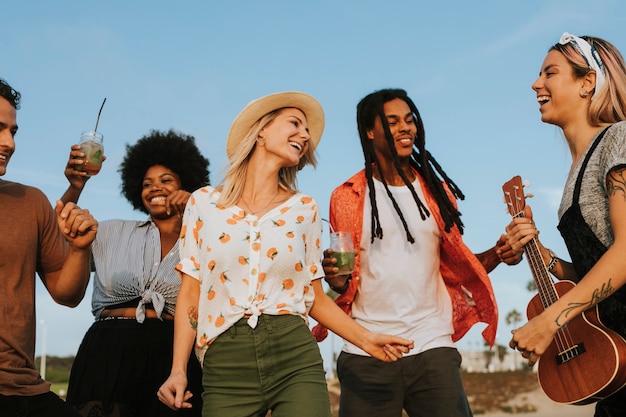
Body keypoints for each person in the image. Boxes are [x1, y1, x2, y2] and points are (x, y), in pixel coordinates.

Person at [157, 91, 415, 417]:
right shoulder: (204, 204)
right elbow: (190, 293)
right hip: (226, 360)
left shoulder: (303, 209)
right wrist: (178, 369)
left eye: (307, 130)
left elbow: (314, 298)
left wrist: (366, 339)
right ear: (261, 131)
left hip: (294, 352)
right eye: (295, 123)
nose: (305, 135)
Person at [311, 88, 522, 417]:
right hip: (365, 347)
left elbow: (455, 268)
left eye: (409, 120)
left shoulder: (438, 194)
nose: (405, 128)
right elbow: (343, 281)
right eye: (392, 121)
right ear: (370, 131)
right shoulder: (347, 196)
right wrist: (335, 277)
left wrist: (498, 253)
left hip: (431, 344)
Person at [504, 33, 626, 416]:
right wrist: (549, 261)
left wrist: (550, 320)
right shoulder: (573, 177)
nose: (535, 83)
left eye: (549, 72)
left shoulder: (619, 139)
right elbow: (599, 274)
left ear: (587, 83)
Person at [62, 129, 210, 417]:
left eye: (167, 181)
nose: (155, 188)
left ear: (186, 185)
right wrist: (76, 186)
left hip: (174, 354)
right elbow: (57, 235)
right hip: (108, 351)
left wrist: (199, 209)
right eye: (147, 183)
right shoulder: (109, 231)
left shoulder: (205, 239)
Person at [0, 78, 98, 417]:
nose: (9, 142)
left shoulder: (31, 201)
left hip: (24, 388)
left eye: (13, 131)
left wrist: (81, 249)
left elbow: (66, 294)